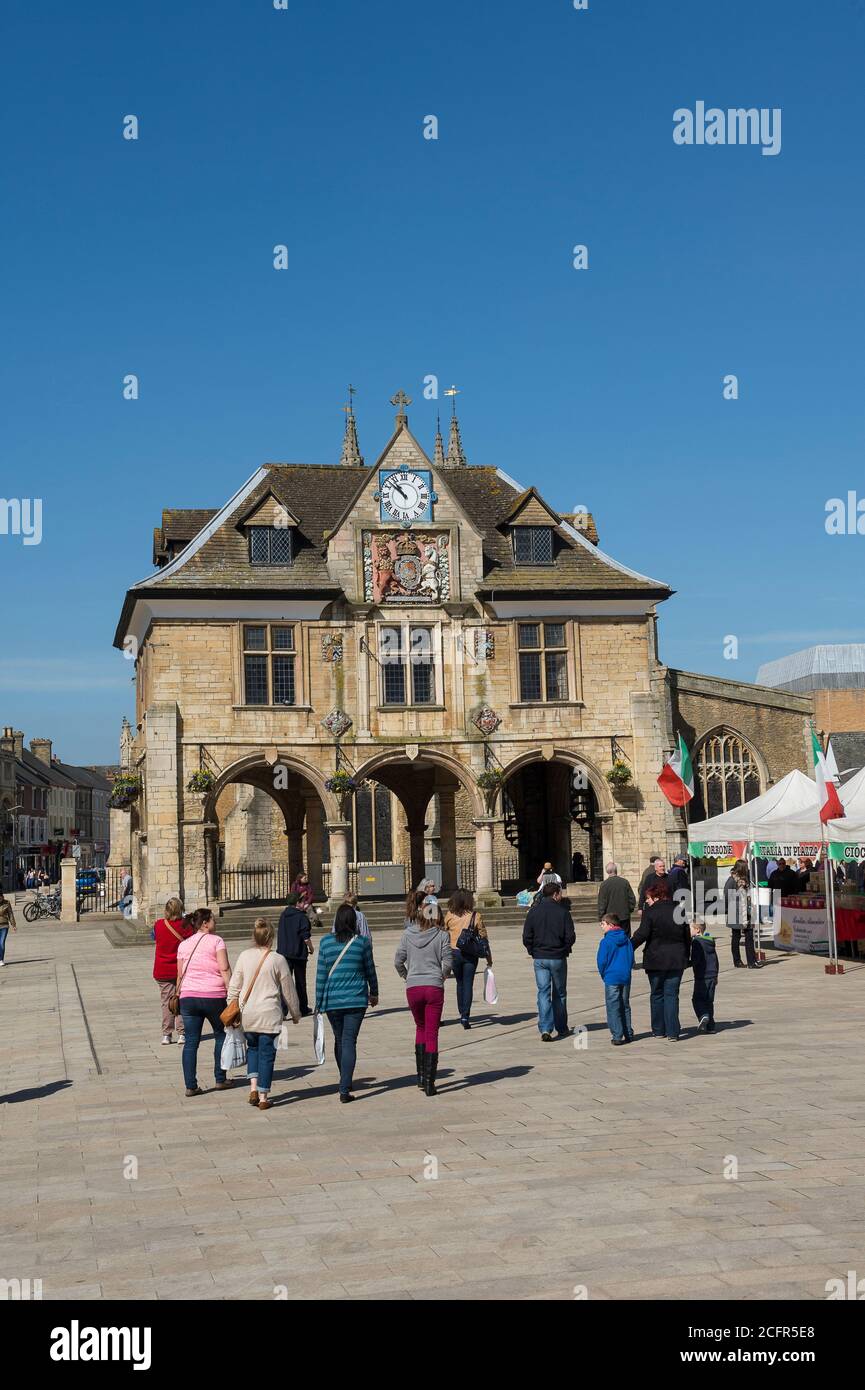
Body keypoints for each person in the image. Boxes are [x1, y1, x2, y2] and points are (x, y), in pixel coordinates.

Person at [226, 918, 300, 1110]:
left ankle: (252, 1088)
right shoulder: (278, 959)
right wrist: (295, 1013)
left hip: (248, 1014)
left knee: (253, 1049)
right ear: (271, 938)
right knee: (267, 1055)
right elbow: (288, 990)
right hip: (269, 1015)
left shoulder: (244, 956)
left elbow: (234, 986)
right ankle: (263, 1096)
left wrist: (231, 1007)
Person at [315, 903, 379, 1102]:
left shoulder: (325, 943)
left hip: (333, 1000)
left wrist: (318, 1001)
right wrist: (374, 992)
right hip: (356, 999)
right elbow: (370, 970)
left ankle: (345, 1078)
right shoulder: (361, 943)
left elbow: (321, 975)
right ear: (354, 921)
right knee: (349, 1040)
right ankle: (345, 1086)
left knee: (340, 1039)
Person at [395, 890, 452, 1096]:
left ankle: (420, 1077)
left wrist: (407, 976)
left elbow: (397, 961)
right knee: (432, 1032)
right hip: (434, 986)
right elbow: (448, 962)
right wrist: (442, 975)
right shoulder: (443, 935)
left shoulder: (407, 934)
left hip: (414, 986)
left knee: (420, 1027)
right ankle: (430, 1083)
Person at [175, 907, 233, 1097]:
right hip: (213, 995)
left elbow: (180, 974)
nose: (215, 923)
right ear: (205, 923)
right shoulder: (217, 941)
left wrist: (178, 993)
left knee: (191, 1042)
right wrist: (232, 993)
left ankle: (190, 1085)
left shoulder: (183, 945)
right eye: (213, 920)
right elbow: (224, 968)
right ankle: (220, 1078)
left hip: (189, 997)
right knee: (221, 1035)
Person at [631, 882, 691, 1040]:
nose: (647, 902)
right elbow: (687, 936)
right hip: (676, 958)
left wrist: (627, 948)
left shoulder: (650, 912)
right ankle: (673, 1032)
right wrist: (687, 955)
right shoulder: (680, 910)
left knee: (657, 994)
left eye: (649, 898)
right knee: (671, 994)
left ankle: (658, 1030)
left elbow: (641, 934)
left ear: (657, 896)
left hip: (655, 958)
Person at [522, 881, 576, 1041]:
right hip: (558, 956)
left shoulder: (533, 911)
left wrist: (532, 950)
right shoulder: (563, 911)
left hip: (540, 957)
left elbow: (526, 936)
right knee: (559, 993)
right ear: (555, 894)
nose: (561, 896)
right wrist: (564, 949)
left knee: (543, 992)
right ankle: (561, 1027)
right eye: (560, 893)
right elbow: (570, 936)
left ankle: (545, 1027)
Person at [445, 888, 493, 1029]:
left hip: (454, 952)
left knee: (459, 983)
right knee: (468, 984)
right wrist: (489, 957)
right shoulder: (475, 916)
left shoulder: (450, 915)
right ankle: (465, 1015)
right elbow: (484, 937)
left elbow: (443, 932)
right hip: (470, 953)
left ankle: (461, 1011)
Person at [152, 897, 194, 1043]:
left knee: (166, 1001)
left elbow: (154, 937)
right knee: (181, 1000)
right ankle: (182, 1033)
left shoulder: (158, 925)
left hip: (162, 969)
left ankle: (166, 1034)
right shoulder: (185, 927)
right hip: (180, 969)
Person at [596, 913, 635, 1045]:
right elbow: (631, 959)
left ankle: (617, 1035)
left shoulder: (606, 941)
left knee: (613, 1006)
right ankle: (628, 1032)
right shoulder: (627, 940)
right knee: (625, 1005)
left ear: (611, 925)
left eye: (603, 923)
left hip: (611, 976)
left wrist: (604, 974)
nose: (601, 926)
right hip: (625, 976)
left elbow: (601, 961)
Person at [276, 892, 314, 1016]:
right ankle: (302, 1007)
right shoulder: (301, 917)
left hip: (284, 953)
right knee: (300, 982)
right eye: (302, 901)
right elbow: (305, 937)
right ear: (297, 903)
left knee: (285, 982)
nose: (304, 904)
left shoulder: (283, 915)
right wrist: (311, 948)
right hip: (298, 954)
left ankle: (283, 1008)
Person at [724, 859, 758, 968]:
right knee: (736, 937)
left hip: (746, 912)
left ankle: (751, 961)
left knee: (749, 936)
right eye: (746, 867)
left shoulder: (745, 879)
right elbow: (727, 896)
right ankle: (737, 961)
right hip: (736, 912)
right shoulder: (731, 880)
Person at [689, 920, 719, 1033]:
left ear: (697, 930)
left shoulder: (697, 942)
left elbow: (696, 960)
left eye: (690, 928)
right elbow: (716, 960)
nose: (689, 930)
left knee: (697, 999)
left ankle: (703, 1015)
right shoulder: (710, 941)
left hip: (702, 976)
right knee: (709, 1001)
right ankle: (710, 1027)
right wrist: (716, 974)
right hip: (712, 975)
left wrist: (687, 963)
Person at [597, 862, 636, 938]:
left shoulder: (604, 884)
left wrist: (601, 917)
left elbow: (602, 903)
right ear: (616, 870)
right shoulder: (624, 882)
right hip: (624, 915)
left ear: (607, 871)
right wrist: (629, 910)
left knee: (612, 937)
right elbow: (632, 898)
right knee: (625, 937)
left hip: (610, 918)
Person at [0, 890, 16, 967]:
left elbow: (10, 914)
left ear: (2, 897)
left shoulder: (7, 903)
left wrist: (13, 925)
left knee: (1, 943)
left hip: (4, 926)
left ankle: (1, 959)